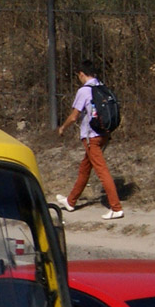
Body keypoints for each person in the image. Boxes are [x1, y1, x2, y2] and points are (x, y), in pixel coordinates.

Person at [55, 60, 123, 220]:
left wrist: (62, 128)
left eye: (79, 75)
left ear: (82, 74)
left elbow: (73, 116)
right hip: (104, 134)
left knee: (101, 170)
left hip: (91, 136)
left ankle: (116, 208)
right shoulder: (101, 86)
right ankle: (71, 201)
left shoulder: (84, 91)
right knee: (85, 168)